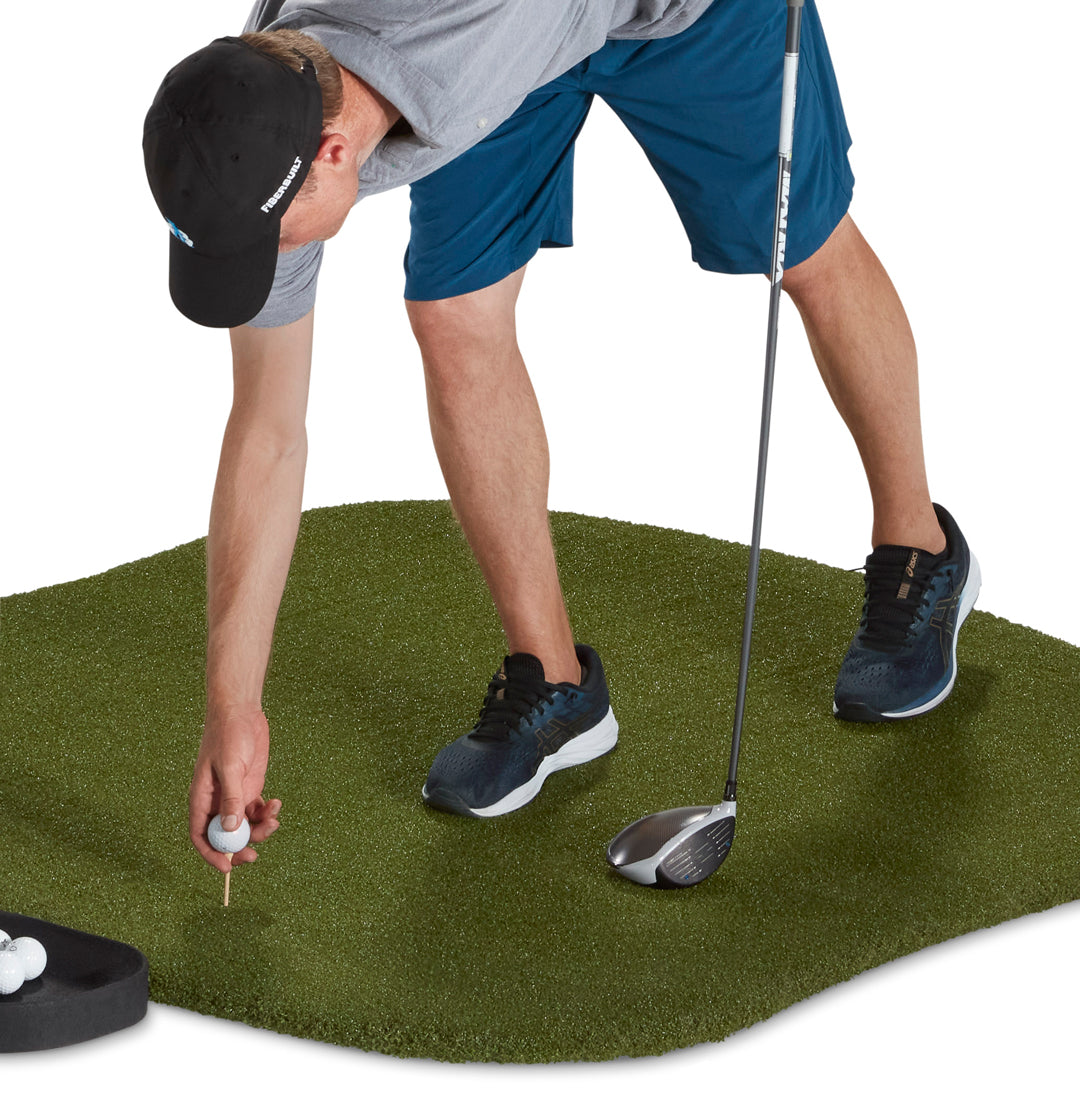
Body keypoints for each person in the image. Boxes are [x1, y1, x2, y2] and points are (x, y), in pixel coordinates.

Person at [143, 0, 980, 871]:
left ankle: (922, 550)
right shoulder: (264, 102)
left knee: (801, 249)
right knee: (454, 313)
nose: (266, 256)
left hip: (683, 13)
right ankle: (555, 681)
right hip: (508, 49)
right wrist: (233, 707)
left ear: (333, 154)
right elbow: (269, 429)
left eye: (267, 240)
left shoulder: (449, 55)